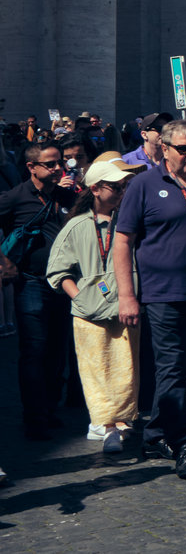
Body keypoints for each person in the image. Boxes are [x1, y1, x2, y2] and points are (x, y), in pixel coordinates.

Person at [113, 120, 186, 479]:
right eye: (184, 148)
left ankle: (155, 435)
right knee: (171, 368)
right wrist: (126, 295)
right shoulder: (144, 185)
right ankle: (184, 443)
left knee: (178, 370)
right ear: (165, 149)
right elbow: (123, 241)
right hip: (161, 294)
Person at [45, 156, 146, 453]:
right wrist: (80, 297)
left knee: (126, 367)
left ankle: (124, 421)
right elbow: (57, 271)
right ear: (96, 189)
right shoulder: (77, 226)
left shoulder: (129, 222)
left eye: (124, 186)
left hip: (125, 308)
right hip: (90, 314)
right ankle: (106, 424)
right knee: (96, 369)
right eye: (116, 187)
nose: (122, 192)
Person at [0, 140, 75, 441]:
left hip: (64, 283)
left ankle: (49, 408)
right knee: (34, 349)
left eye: (60, 163)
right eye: (51, 164)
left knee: (57, 350)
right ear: (32, 167)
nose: (58, 168)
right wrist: (4, 261)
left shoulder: (65, 195)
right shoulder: (15, 197)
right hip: (31, 282)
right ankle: (35, 417)